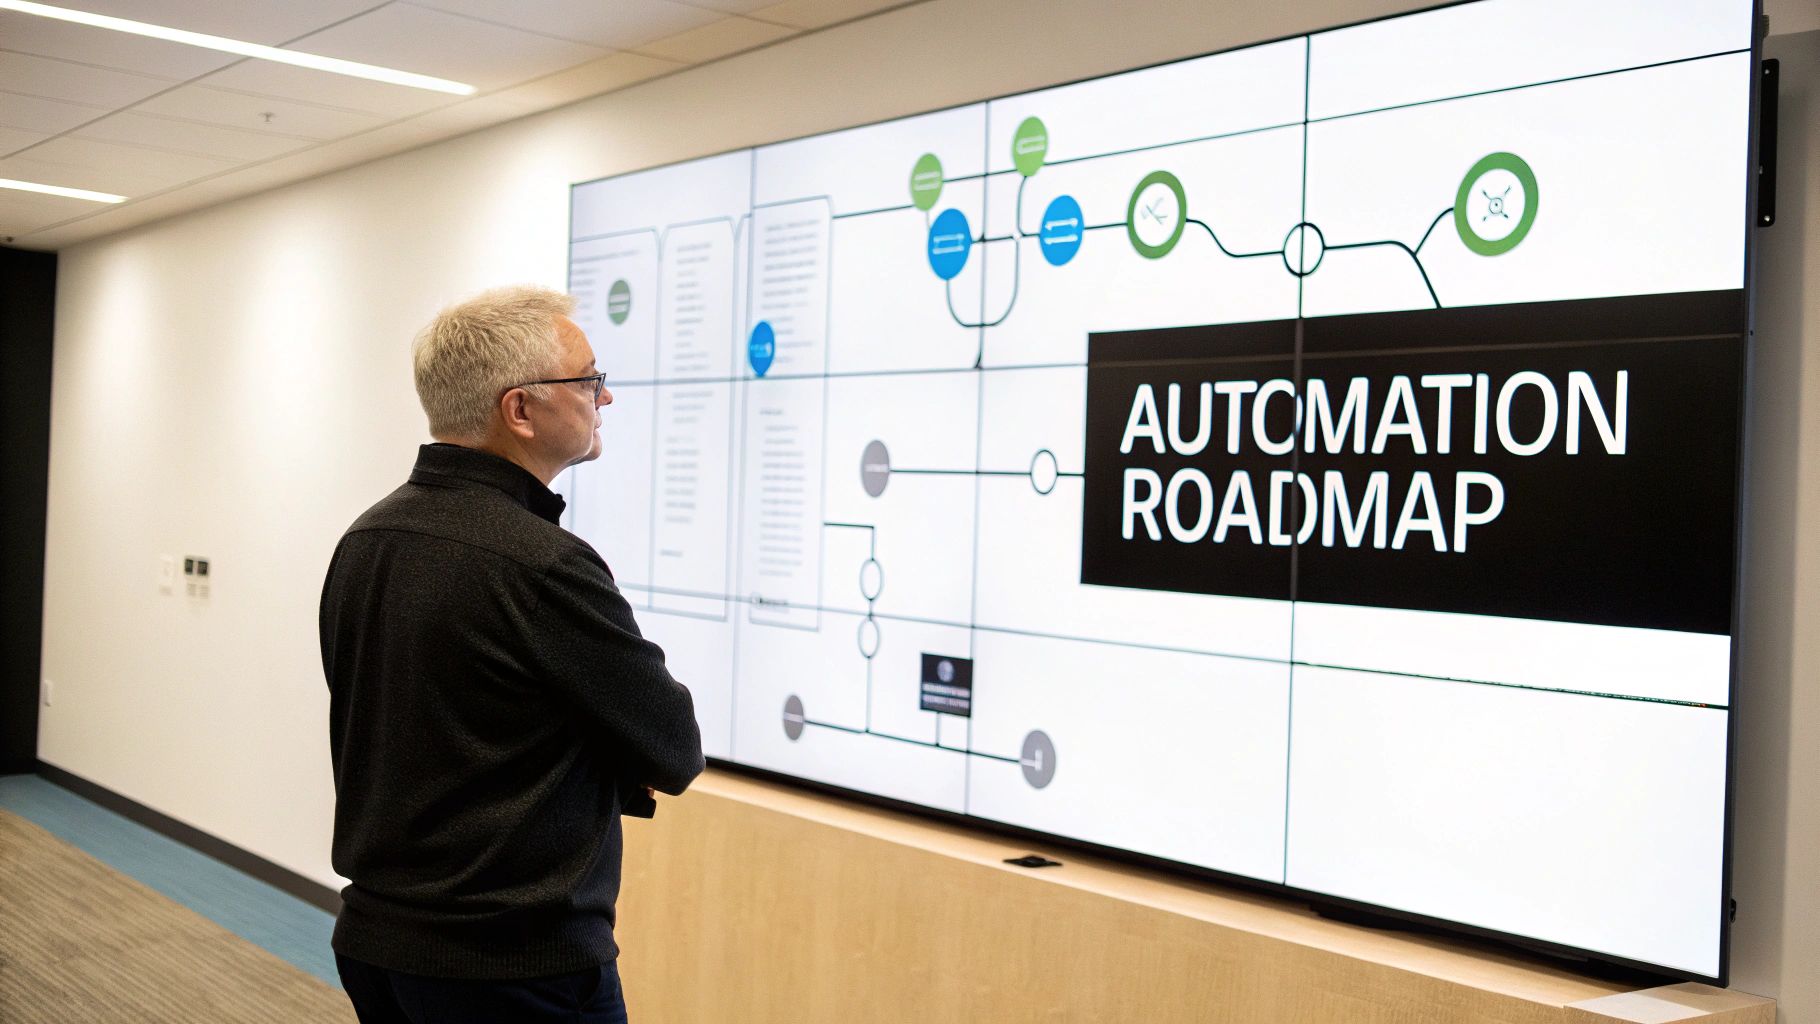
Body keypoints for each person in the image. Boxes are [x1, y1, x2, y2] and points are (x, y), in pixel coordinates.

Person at [319, 285, 704, 1023]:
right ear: (520, 410)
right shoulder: (543, 563)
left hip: (378, 945)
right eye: (588, 380)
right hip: (512, 970)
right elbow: (674, 746)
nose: (606, 398)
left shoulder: (367, 538)